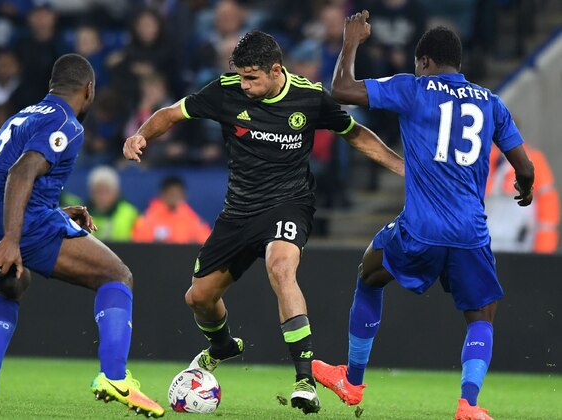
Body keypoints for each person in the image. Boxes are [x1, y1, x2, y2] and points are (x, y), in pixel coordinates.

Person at [123, 30, 405, 414]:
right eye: (241, 76)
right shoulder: (225, 92)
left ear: (276, 70)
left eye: (251, 78)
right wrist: (141, 135)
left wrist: (403, 167)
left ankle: (305, 381)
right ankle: (221, 346)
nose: (245, 85)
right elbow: (171, 113)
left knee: (281, 268)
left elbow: (355, 135)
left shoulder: (310, 97)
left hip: (289, 203)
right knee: (199, 298)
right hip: (238, 211)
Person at [310, 12, 534, 420]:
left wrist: (350, 42)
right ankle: (468, 404)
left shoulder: (413, 89)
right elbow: (525, 167)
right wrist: (526, 188)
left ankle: (353, 381)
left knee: (369, 273)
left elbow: (340, 89)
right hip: (471, 232)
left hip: (421, 228)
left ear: (426, 62)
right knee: (481, 316)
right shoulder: (492, 102)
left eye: (418, 63)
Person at [0, 54, 164, 417]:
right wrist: (12, 239)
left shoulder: (23, 114)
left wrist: (54, 213)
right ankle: (114, 377)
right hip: (13, 227)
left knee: (14, 284)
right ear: (89, 90)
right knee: (117, 275)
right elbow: (21, 174)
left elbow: (1, 178)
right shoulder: (67, 123)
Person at [486, 143, 559, 253]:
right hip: (486, 245)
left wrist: (543, 253)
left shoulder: (534, 160)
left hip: (522, 248)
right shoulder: (485, 158)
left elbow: (547, 210)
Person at [131, 176, 211, 244]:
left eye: (177, 193)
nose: (174, 197)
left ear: (184, 195)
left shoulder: (192, 219)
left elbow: (206, 242)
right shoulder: (148, 219)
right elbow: (139, 242)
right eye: (171, 193)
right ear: (162, 194)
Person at [86, 165, 138, 242]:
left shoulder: (130, 214)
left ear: (116, 192)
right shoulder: (81, 215)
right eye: (98, 191)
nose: (102, 196)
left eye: (106, 191)